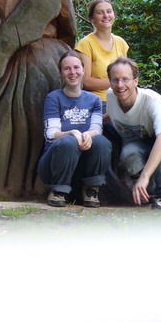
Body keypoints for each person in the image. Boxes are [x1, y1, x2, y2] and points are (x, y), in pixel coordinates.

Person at [76, 0, 161, 202]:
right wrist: (118, 83)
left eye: (109, 11)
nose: (106, 15)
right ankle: (139, 182)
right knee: (130, 142)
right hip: (102, 104)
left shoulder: (120, 43)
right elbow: (86, 81)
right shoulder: (86, 44)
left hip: (125, 101)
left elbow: (126, 71)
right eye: (100, 12)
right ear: (92, 18)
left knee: (159, 135)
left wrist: (122, 83)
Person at [105, 57, 161, 209]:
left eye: (125, 79)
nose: (120, 85)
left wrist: (144, 176)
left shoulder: (152, 101)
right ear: (110, 81)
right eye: (115, 80)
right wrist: (91, 126)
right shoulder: (111, 95)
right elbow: (111, 115)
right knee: (128, 157)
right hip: (142, 141)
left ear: (135, 81)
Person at [37, 51, 112, 208]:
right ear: (61, 73)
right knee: (69, 142)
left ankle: (91, 190)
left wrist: (87, 135)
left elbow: (97, 128)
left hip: (83, 166)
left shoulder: (94, 100)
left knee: (101, 142)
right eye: (67, 68)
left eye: (76, 67)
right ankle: (58, 191)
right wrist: (72, 133)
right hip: (55, 166)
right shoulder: (53, 98)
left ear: (84, 70)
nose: (72, 72)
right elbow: (50, 134)